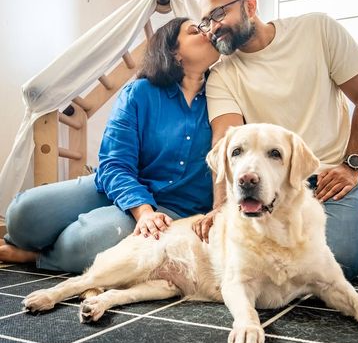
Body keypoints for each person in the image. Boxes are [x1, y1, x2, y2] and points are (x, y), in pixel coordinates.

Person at [193, 0, 358, 281]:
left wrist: (352, 166)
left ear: (250, 6)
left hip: (328, 179)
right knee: (265, 267)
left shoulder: (318, 30)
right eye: (205, 22)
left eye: (218, 14)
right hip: (270, 183)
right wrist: (220, 206)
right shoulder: (221, 74)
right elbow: (224, 140)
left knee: (347, 259)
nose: (213, 27)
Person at [0, 18, 220, 273]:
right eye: (196, 31)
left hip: (173, 208)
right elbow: (115, 162)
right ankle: (35, 239)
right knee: (22, 214)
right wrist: (143, 211)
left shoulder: (224, 99)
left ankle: (35, 257)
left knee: (81, 245)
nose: (208, 33)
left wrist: (151, 214)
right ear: (173, 51)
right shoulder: (140, 92)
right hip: (113, 187)